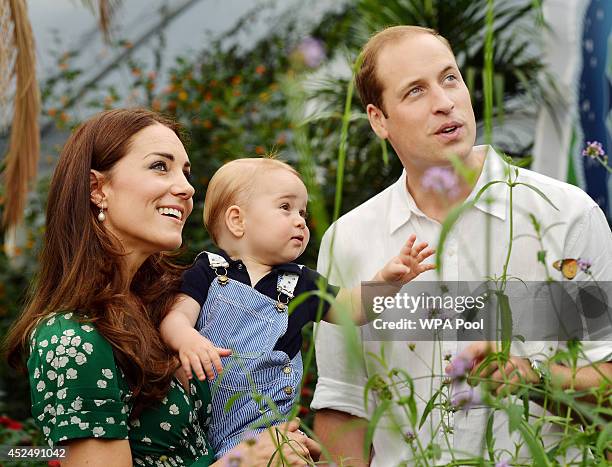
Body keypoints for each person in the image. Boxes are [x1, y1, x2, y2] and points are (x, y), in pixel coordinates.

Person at [310, 26, 612, 465]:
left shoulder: (565, 214)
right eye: (415, 91)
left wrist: (536, 379)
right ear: (379, 120)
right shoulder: (348, 238)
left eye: (449, 78)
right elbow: (343, 403)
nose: (444, 101)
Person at [5, 108, 320, 466]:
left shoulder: (168, 309)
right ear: (97, 189)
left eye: (186, 173)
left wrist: (282, 446)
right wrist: (243, 461)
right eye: (160, 166)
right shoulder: (71, 338)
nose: (186, 188)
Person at [159, 157, 436, 459]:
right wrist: (187, 339)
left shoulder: (300, 282)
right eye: (285, 208)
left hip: (268, 431)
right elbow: (176, 317)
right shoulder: (208, 272)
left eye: (303, 212)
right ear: (237, 220)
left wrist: (387, 282)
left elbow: (353, 309)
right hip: (202, 427)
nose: (300, 220)